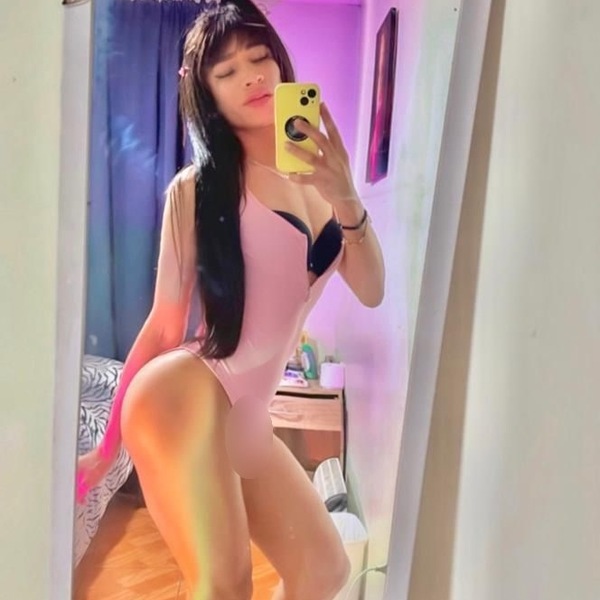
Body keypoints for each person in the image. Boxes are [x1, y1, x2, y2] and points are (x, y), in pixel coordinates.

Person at [77, 2, 385, 599]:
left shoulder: (325, 181)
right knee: (223, 585)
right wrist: (106, 449)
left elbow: (371, 291)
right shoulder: (196, 189)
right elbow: (164, 327)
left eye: (258, 57)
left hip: (246, 409)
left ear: (280, 63)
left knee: (325, 570)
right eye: (226, 71)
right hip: (188, 390)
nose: (249, 77)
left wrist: (347, 196)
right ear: (208, 95)